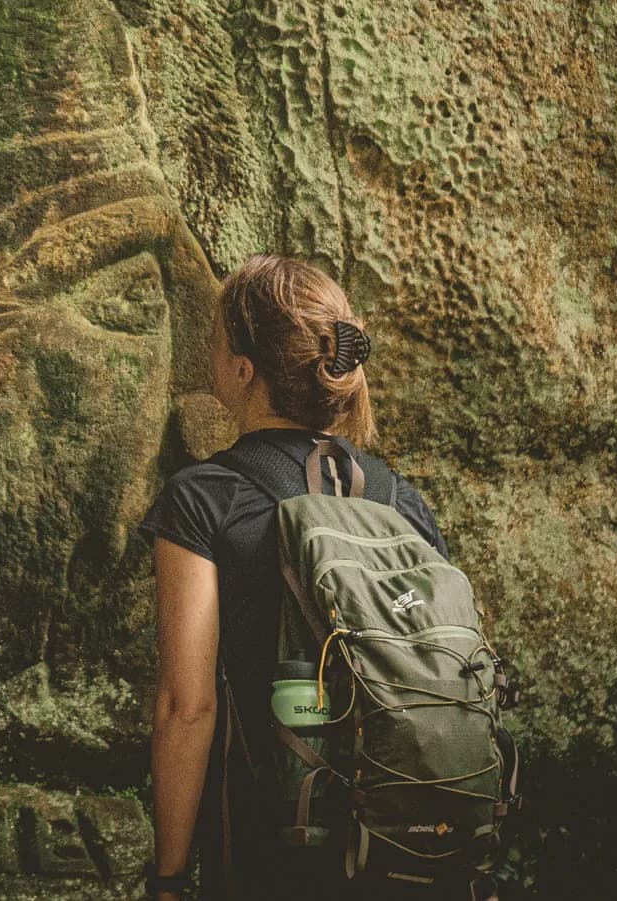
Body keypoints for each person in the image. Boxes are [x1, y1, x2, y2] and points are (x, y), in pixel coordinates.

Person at [138, 255, 450, 900]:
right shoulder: (401, 502)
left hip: (274, 844)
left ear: (243, 369)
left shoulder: (205, 498)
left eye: (216, 338)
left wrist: (168, 876)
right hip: (407, 839)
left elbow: (187, 707)